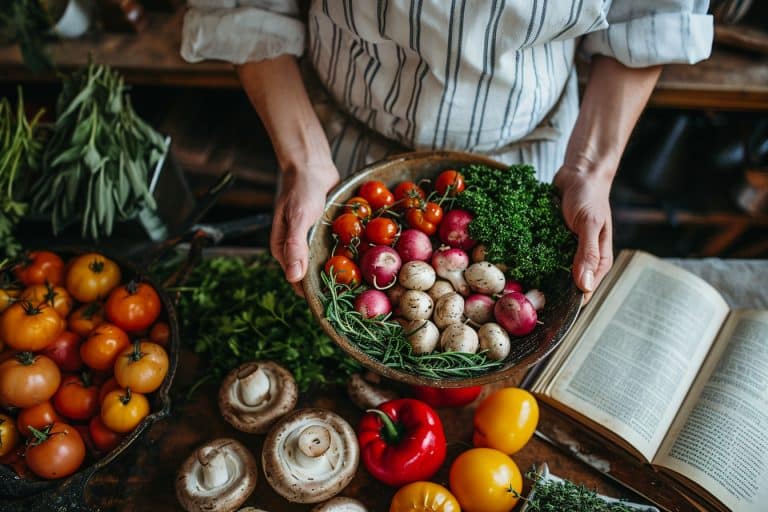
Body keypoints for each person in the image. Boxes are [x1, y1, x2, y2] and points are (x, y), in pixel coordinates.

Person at [181, 1, 713, 298]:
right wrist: (304, 161)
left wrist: (591, 171)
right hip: (340, 164)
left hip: (534, 166)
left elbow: (649, 20)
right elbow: (243, 7)